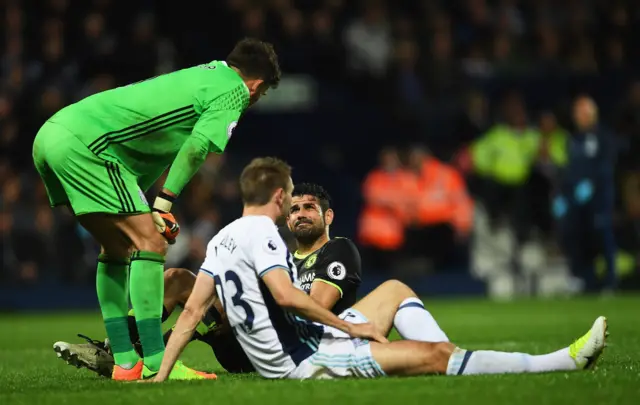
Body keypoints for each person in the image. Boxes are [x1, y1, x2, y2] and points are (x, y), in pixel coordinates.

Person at [152, 156, 608, 382]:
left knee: (394, 292)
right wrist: (354, 329)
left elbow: (191, 313)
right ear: (277, 197)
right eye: (291, 199)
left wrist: (160, 376)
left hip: (293, 342)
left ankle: (135, 355)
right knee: (433, 356)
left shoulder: (222, 238)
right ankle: (561, 361)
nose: (294, 208)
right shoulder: (267, 237)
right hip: (307, 355)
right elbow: (291, 300)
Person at [32, 38, 281, 381]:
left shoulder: (200, 77)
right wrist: (163, 203)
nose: (257, 98)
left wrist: (152, 205)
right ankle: (155, 362)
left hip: (53, 134)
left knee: (117, 249)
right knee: (151, 243)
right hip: (88, 146)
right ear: (256, 85)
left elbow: (143, 158)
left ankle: (125, 361)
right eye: (263, 92)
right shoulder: (234, 91)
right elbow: (196, 149)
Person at [52, 182, 364, 377]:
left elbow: (316, 307)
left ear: (329, 216)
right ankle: (120, 347)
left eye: (310, 207)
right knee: (177, 278)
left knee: (223, 298)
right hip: (245, 346)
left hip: (296, 350)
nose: (301, 214)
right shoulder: (281, 257)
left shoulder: (338, 250)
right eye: (294, 209)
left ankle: (138, 355)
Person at [553, 96, 618, 293]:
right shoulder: (573, 140)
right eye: (578, 113)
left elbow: (606, 166)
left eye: (584, 113)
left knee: (603, 238)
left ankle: (610, 282)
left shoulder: (603, 137)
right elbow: (569, 170)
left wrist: (592, 185)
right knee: (577, 239)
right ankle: (583, 280)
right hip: (576, 199)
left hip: (599, 199)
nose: (580, 117)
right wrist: (563, 195)